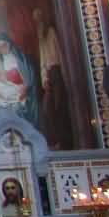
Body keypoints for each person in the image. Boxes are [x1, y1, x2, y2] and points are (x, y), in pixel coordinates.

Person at [34, 8, 69, 147]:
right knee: (47, 108)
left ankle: (62, 140)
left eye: (39, 19)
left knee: (58, 106)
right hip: (49, 74)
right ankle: (55, 140)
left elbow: (58, 55)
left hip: (56, 72)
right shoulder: (41, 37)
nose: (38, 23)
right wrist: (44, 78)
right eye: (36, 20)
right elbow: (43, 61)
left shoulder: (51, 33)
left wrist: (63, 75)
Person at [0, 32, 37, 125]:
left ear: (9, 44)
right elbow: (5, 79)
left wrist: (24, 88)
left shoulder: (19, 59)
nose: (2, 49)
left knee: (15, 110)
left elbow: (27, 79)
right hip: (9, 89)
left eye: (3, 45)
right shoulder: (2, 59)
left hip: (19, 90)